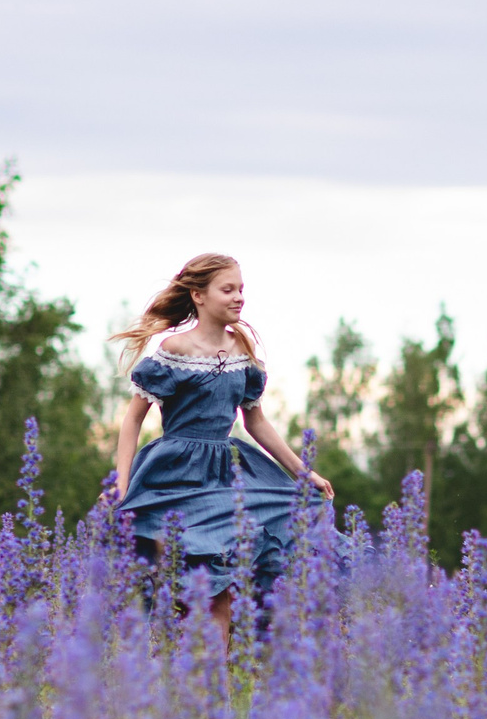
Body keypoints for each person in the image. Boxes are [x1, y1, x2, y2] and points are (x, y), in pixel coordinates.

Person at [104, 253, 333, 642]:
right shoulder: (175, 349)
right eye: (228, 289)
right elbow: (132, 420)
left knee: (220, 592)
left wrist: (303, 471)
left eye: (241, 289)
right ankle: (181, 658)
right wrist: (121, 483)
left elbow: (256, 421)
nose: (239, 297)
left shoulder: (242, 347)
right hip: (175, 475)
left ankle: (220, 670)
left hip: (226, 476)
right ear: (199, 295)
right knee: (203, 592)